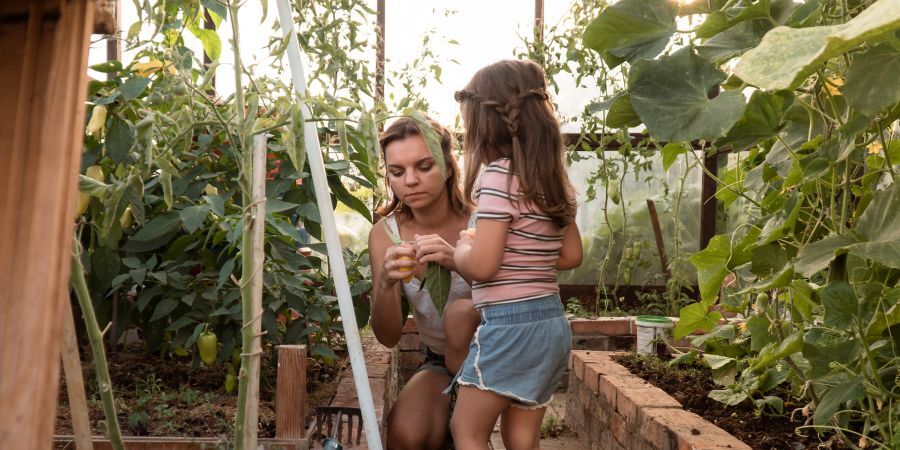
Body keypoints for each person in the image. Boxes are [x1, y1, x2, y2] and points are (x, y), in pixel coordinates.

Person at [449, 59, 583, 449]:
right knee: (522, 438)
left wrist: (463, 249)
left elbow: (484, 267)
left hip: (510, 327)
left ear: (483, 125)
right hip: (551, 325)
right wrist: (523, 253)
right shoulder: (552, 179)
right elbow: (570, 254)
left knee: (467, 430)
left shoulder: (498, 177)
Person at [368, 116, 481, 449]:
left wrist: (457, 261)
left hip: (502, 355)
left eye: (424, 166)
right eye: (397, 172)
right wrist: (387, 284)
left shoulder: (483, 221)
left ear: (448, 167)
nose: (411, 181)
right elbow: (388, 337)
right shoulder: (385, 235)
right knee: (406, 434)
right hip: (443, 360)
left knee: (470, 437)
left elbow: (513, 299)